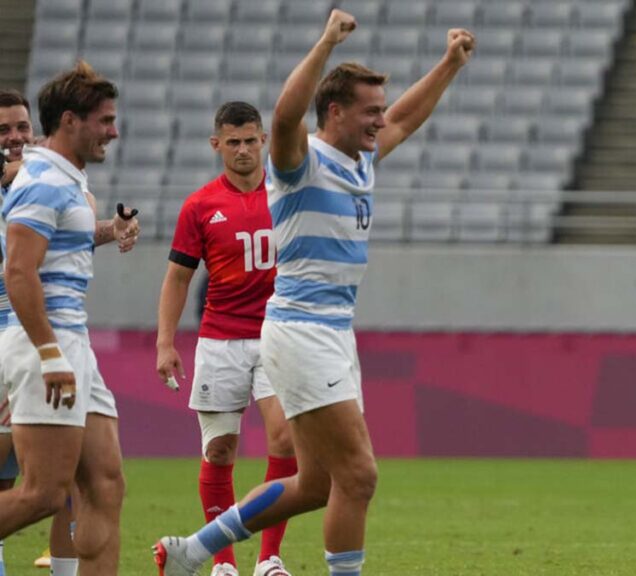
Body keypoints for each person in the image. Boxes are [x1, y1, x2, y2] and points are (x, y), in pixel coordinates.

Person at [153, 10, 475, 576]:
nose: (380, 120)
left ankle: (192, 551)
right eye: (369, 110)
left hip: (330, 332)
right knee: (360, 476)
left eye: (379, 109)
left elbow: (406, 117)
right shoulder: (300, 161)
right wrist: (326, 42)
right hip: (302, 332)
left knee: (316, 484)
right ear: (334, 112)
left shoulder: (362, 160)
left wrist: (449, 64)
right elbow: (282, 116)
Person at [0, 63, 139, 576]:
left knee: (104, 484)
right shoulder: (42, 183)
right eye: (104, 120)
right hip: (47, 345)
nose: (113, 131)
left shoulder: (65, 179)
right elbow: (19, 272)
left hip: (72, 343)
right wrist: (51, 353)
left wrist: (112, 229)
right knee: (41, 493)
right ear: (69, 121)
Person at [156, 101, 297, 576]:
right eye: (232, 142)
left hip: (278, 335)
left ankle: (270, 558)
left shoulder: (287, 192)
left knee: (285, 441)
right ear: (217, 145)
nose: (242, 150)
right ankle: (223, 562)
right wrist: (165, 343)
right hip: (220, 341)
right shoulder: (199, 206)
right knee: (220, 452)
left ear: (264, 141)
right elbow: (177, 279)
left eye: (250, 140)